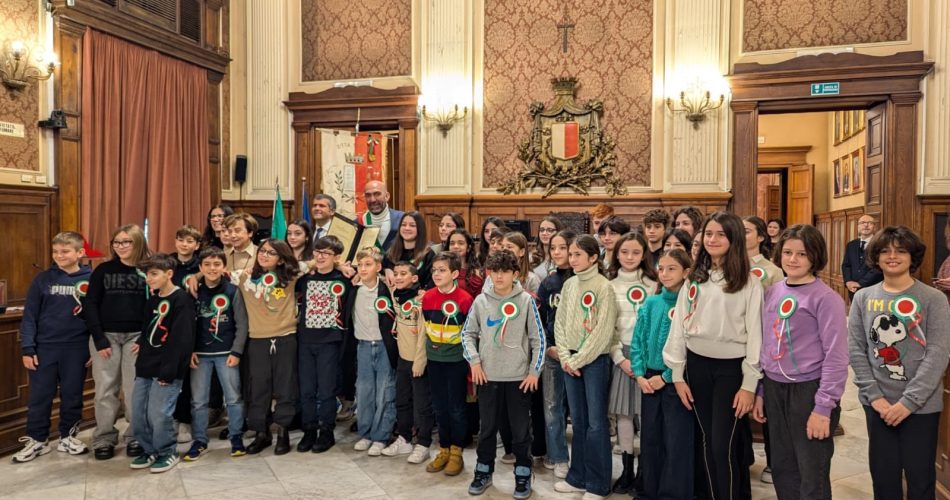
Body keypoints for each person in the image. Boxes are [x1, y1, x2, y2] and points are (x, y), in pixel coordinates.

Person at [663, 211, 763, 500]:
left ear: (733, 238)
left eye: (721, 234)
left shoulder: (748, 281)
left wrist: (749, 384)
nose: (713, 239)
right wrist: (678, 375)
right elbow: (679, 326)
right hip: (697, 366)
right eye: (708, 234)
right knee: (707, 441)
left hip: (731, 370)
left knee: (724, 445)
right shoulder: (696, 277)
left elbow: (756, 334)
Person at [849, 226, 950, 500]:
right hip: (878, 405)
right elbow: (857, 350)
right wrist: (875, 397)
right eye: (885, 251)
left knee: (920, 480)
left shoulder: (934, 299)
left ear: (912, 256)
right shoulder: (863, 298)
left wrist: (908, 403)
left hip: (921, 407)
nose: (892, 256)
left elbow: (938, 353)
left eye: (900, 251)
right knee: (883, 479)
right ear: (876, 256)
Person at [750, 224, 848, 499]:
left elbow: (837, 357)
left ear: (815, 257)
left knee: (811, 472)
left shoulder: (826, 299)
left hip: (809, 391)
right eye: (788, 252)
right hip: (773, 388)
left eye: (802, 254)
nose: (793, 260)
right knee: (783, 468)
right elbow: (766, 346)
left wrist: (823, 407)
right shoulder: (772, 292)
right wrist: (760, 391)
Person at [462, 250, 545, 499]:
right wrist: (475, 362)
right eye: (494, 271)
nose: (498, 276)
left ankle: (522, 473)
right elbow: (467, 334)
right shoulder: (480, 301)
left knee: (520, 431)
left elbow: (538, 339)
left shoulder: (526, 301)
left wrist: (534, 372)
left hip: (519, 379)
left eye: (504, 272)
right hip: (487, 376)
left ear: (514, 274)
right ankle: (483, 470)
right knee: (487, 429)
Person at [14, 232, 92, 463]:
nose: (59, 255)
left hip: (77, 348)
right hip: (44, 348)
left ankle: (68, 436)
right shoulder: (42, 279)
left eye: (65, 251)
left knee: (72, 394)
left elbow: (97, 317)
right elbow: (29, 316)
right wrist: (28, 348)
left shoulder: (92, 278)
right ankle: (38, 440)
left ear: (80, 253)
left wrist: (92, 347)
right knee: (40, 396)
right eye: (55, 251)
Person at [553, 234, 618, 499]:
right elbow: (560, 323)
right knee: (577, 422)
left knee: (595, 424)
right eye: (571, 254)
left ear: (594, 257)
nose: (572, 258)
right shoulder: (569, 285)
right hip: (571, 361)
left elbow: (602, 332)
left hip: (593, 362)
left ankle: (598, 483)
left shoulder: (604, 287)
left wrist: (576, 360)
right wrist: (567, 358)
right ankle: (577, 476)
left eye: (578, 254)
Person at [631, 249, 695, 500]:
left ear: (686, 272)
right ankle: (648, 490)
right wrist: (639, 374)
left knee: (675, 440)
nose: (665, 274)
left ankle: (673, 494)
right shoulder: (651, 302)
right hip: (649, 378)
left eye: (672, 269)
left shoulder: (689, 303)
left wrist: (667, 377)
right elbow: (638, 339)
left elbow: (690, 348)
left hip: (675, 379)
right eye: (661, 268)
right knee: (650, 438)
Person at [86, 224, 151, 460]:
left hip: (137, 338)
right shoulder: (103, 270)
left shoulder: (149, 270)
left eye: (126, 242)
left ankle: (135, 436)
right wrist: (99, 338)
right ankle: (104, 437)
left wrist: (146, 337)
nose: (120, 246)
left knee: (134, 390)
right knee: (105, 389)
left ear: (138, 243)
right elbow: (90, 304)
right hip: (106, 338)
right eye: (116, 242)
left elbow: (157, 307)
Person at [129, 253, 196, 473]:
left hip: (167, 368)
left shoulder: (182, 300)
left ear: (169, 274)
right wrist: (141, 345)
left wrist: (169, 373)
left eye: (154, 274)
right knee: (138, 414)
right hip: (146, 366)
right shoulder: (153, 299)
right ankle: (149, 450)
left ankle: (167, 451)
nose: (149, 278)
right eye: (147, 274)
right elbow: (148, 328)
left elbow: (181, 341)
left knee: (159, 414)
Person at [236, 239, 300, 455]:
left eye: (271, 253)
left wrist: (341, 265)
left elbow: (317, 263)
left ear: (281, 258)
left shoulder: (290, 277)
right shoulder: (245, 277)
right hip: (257, 339)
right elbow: (216, 272)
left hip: (285, 338)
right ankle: (262, 432)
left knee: (285, 386)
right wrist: (196, 277)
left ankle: (283, 432)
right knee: (258, 388)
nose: (264, 255)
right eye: (262, 251)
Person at [184, 247, 248, 461]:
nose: (212, 268)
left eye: (217, 264)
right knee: (199, 401)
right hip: (200, 354)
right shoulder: (192, 292)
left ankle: (236, 436)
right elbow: (186, 325)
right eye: (208, 265)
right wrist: (190, 350)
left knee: (233, 398)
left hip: (227, 353)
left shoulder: (232, 291)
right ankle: (200, 440)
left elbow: (242, 324)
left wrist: (237, 351)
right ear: (200, 268)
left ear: (224, 267)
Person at [606, 232, 658, 495]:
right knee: (624, 413)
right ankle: (626, 470)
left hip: (648, 356)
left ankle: (646, 471)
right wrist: (620, 358)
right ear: (617, 254)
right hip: (621, 356)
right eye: (624, 252)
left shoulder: (653, 284)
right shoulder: (609, 285)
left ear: (644, 255)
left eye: (635, 253)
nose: (629, 257)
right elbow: (609, 328)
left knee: (646, 413)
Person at [294, 236, 355, 453]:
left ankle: (326, 431)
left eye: (326, 253)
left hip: (330, 341)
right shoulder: (306, 278)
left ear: (336, 257)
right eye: (317, 252)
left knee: (326, 390)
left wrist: (342, 267)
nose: (320, 256)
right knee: (307, 389)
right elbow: (289, 272)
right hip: (305, 340)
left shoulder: (344, 278)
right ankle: (309, 430)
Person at [422, 252, 475, 476]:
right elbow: (427, 327)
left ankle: (456, 451)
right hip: (435, 360)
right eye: (434, 270)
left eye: (442, 270)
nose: (436, 274)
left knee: (456, 407)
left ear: (454, 274)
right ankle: (443, 448)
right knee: (439, 406)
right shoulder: (427, 297)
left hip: (456, 361)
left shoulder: (465, 299)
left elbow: (470, 332)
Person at [350, 246, 400, 457]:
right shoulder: (353, 288)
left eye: (368, 264)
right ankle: (366, 433)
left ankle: (381, 436)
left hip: (383, 346)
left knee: (385, 392)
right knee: (364, 391)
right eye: (360, 265)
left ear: (379, 267)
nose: (363, 268)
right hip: (362, 345)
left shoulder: (387, 289)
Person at [385, 261, 435, 464]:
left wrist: (420, 361)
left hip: (417, 360)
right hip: (402, 359)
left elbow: (423, 333)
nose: (397, 277)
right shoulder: (396, 295)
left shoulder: (420, 301)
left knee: (422, 404)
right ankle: (405, 438)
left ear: (414, 278)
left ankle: (423, 443)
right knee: (402, 400)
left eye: (403, 274)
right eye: (396, 273)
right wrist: (387, 270)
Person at [536, 230, 575, 480]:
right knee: (552, 407)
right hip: (553, 354)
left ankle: (581, 456)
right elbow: (540, 320)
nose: (558, 253)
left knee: (579, 411)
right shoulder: (549, 283)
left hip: (582, 355)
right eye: (554, 248)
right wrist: (549, 346)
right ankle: (558, 456)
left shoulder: (588, 281)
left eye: (564, 248)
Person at [384, 210, 435, 289]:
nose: (407, 228)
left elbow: (432, 282)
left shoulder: (428, 254)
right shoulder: (391, 250)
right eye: (403, 225)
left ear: (420, 229)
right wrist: (386, 269)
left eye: (412, 225)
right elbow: (380, 267)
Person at [842, 214, 883, 299]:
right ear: (858, 227)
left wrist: (861, 283)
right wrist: (848, 281)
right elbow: (846, 265)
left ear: (874, 227)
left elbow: (879, 267)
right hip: (853, 290)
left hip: (873, 289)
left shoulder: (880, 244)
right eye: (862, 222)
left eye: (869, 223)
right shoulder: (851, 245)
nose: (866, 225)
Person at [361, 180, 406, 251]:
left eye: (377, 194)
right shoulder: (358, 223)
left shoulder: (402, 219)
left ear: (387, 196)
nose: (372, 200)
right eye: (368, 195)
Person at [744, 216, 784, 289]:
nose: (740, 235)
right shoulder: (726, 265)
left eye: (746, 232)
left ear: (760, 237)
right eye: (738, 231)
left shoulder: (774, 271)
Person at [448, 229, 484, 298]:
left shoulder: (477, 272)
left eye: (460, 243)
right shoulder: (443, 269)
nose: (455, 246)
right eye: (452, 243)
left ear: (468, 248)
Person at [533, 216, 564, 280]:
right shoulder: (532, 256)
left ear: (558, 232)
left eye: (550, 230)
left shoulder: (564, 257)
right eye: (541, 230)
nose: (544, 233)